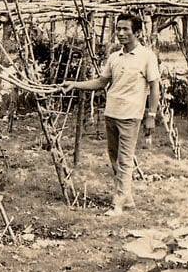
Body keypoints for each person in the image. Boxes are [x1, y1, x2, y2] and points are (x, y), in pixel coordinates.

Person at [61, 13, 160, 216]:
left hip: (131, 116)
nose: (121, 33)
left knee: (125, 159)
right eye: (118, 29)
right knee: (115, 158)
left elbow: (154, 87)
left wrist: (151, 115)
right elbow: (101, 82)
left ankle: (118, 204)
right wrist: (74, 85)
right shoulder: (115, 57)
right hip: (112, 113)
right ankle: (127, 198)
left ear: (137, 32)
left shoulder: (146, 56)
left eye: (126, 29)